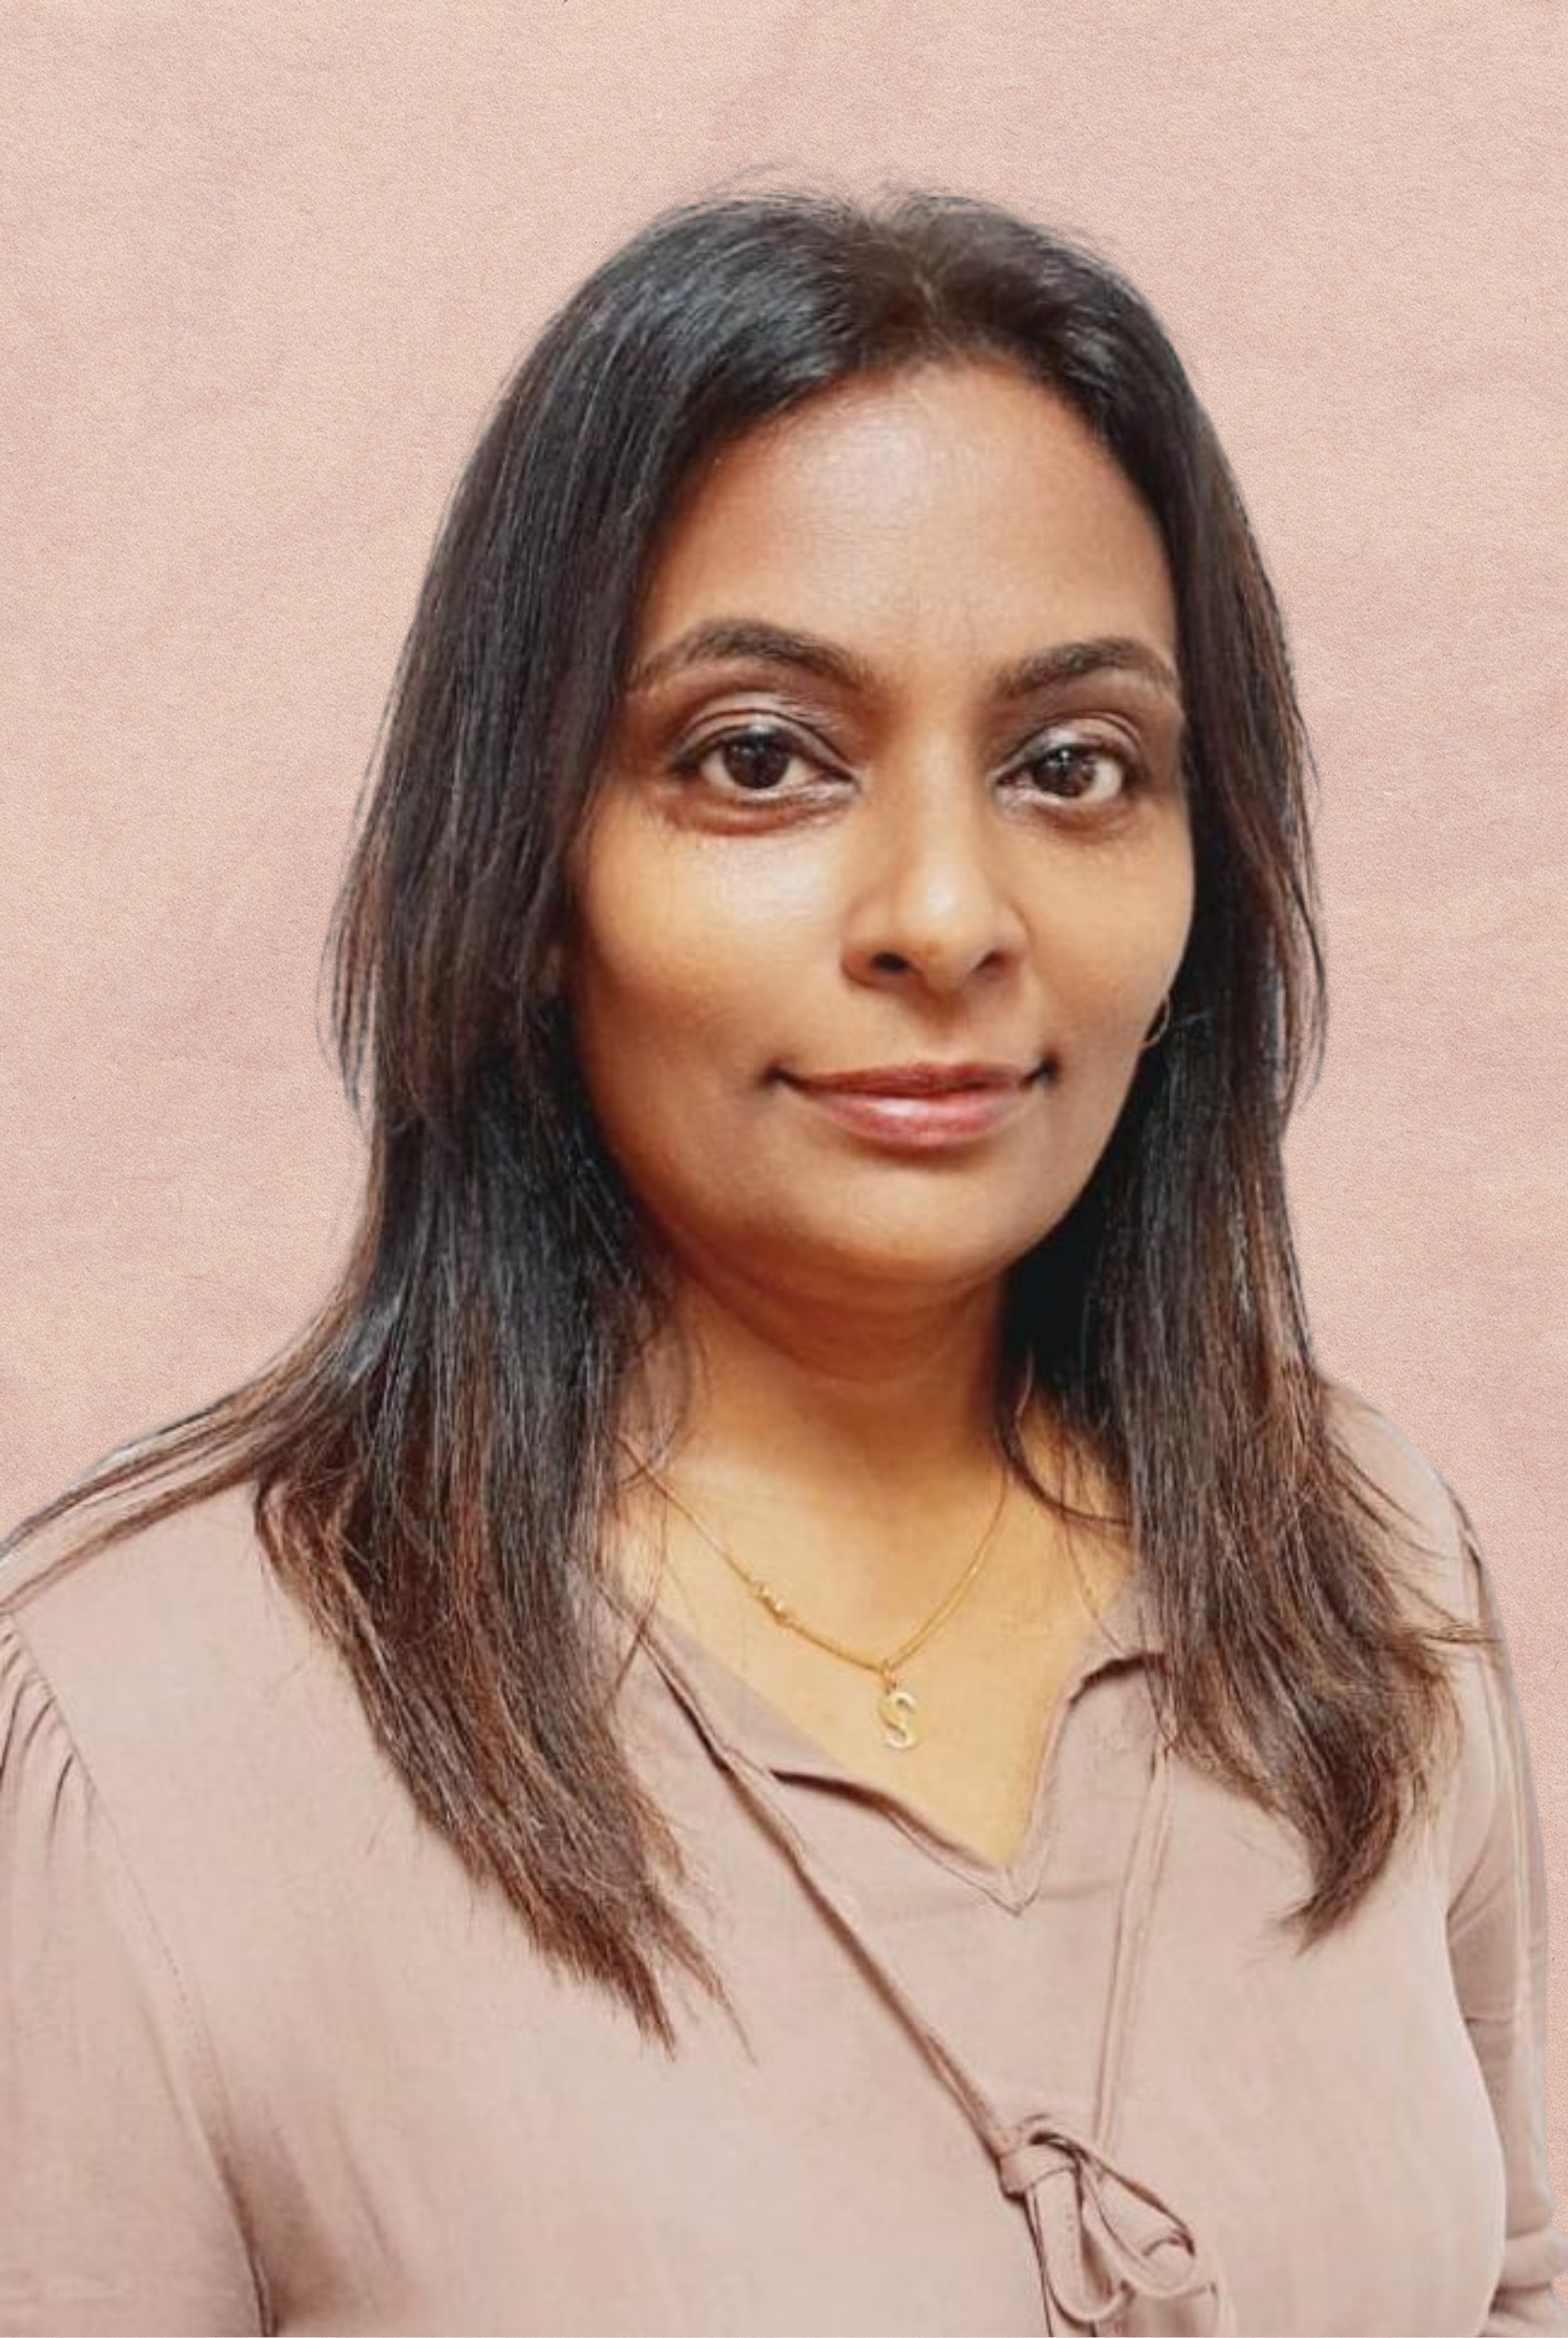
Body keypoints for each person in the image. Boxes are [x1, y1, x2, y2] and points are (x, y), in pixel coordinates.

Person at [1, 182, 1563, 2338]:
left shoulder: (1361, 1558)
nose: (945, 909)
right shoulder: (149, 1739)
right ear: (532, 861)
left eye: (1073, 765)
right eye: (760, 760)